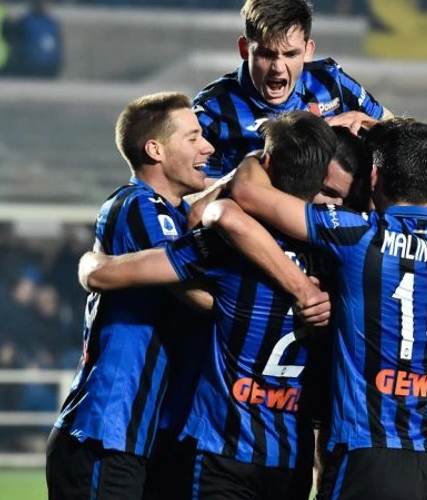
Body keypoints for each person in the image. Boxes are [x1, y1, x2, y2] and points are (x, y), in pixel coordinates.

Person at [78, 110, 337, 500]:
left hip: (221, 449)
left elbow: (212, 216)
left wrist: (90, 264)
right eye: (193, 136)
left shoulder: (228, 246)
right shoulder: (343, 251)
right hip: (289, 453)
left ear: (266, 165)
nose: (208, 147)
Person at [229, 117, 427, 500]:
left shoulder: (359, 233)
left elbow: (246, 192)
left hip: (370, 455)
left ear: (373, 178)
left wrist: (269, 150)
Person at [46, 92, 220, 500]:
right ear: (155, 150)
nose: (208, 147)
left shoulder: (174, 214)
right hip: (107, 435)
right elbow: (197, 291)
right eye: (193, 137)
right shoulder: (138, 203)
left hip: (136, 438)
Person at [194, 0, 391, 178]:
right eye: (266, 54)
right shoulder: (212, 108)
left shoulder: (330, 81)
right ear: (244, 49)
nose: (278, 68)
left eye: (291, 54)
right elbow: (193, 190)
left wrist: (369, 123)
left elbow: (397, 133)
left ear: (308, 51)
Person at [4, 0, 61, 78]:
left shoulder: (52, 23)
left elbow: (57, 46)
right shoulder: (25, 22)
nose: (44, 5)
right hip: (29, 69)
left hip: (49, 70)